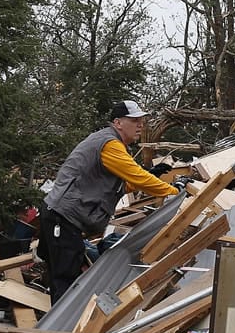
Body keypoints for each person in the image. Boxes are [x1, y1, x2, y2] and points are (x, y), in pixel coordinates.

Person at [38, 100, 179, 302]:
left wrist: (150, 175)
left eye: (141, 120)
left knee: (65, 273)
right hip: (63, 217)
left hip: (60, 215)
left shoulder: (111, 143)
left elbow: (116, 186)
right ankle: (60, 329)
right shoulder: (110, 144)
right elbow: (136, 177)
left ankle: (60, 325)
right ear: (117, 123)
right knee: (65, 278)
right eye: (134, 120)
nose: (140, 125)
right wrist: (175, 193)